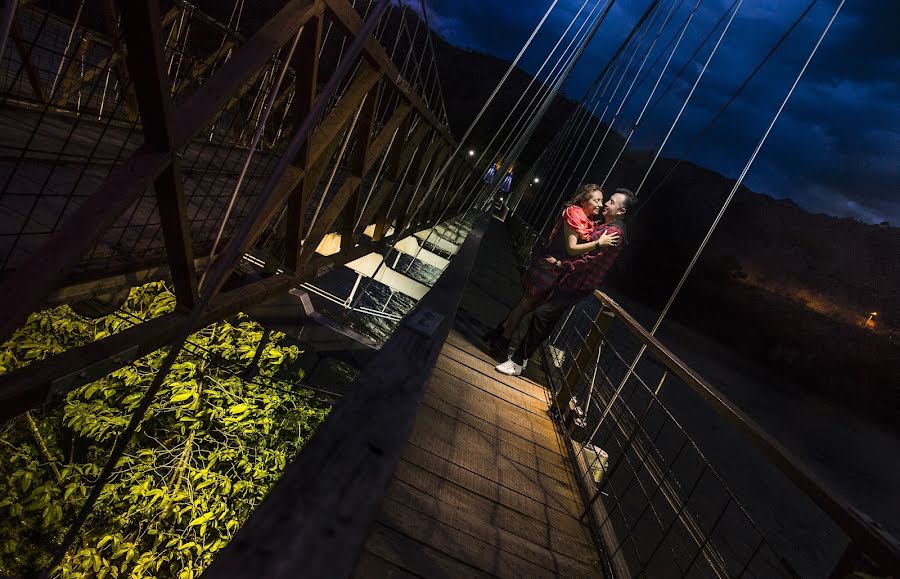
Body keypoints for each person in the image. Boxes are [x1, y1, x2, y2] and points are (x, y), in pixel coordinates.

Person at [494, 188, 634, 377]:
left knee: (542, 315)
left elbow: (589, 260)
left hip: (577, 285)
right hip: (571, 281)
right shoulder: (602, 225)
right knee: (543, 317)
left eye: (611, 202)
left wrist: (561, 264)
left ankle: (517, 361)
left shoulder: (614, 233)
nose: (606, 204)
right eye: (605, 200)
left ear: (621, 212)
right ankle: (520, 356)